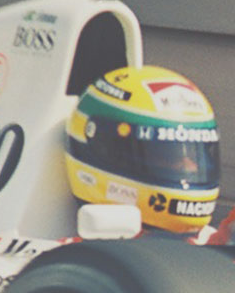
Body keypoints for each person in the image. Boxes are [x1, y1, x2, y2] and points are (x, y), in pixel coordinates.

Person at [63, 66, 222, 236]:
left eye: (197, 157)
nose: (191, 168)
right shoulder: (64, 258)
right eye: (167, 156)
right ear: (108, 149)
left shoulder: (214, 245)